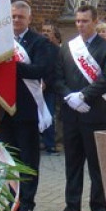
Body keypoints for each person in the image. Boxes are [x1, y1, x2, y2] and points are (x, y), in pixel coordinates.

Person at [52, 4, 106, 211]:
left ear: (95, 21)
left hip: (95, 112)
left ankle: (99, 208)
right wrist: (69, 97)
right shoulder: (67, 48)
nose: (80, 25)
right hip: (71, 115)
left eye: (85, 21)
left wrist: (84, 96)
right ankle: (72, 207)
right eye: (78, 21)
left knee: (96, 165)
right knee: (72, 164)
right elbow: (57, 77)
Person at [0, 1, 55, 211]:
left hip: (27, 109)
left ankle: (27, 203)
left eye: (20, 17)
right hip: (4, 109)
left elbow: (40, 69)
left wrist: (10, 65)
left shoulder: (39, 43)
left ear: (29, 19)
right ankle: (10, 201)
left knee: (28, 159)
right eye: (12, 16)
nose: (16, 20)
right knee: (7, 159)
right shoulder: (1, 42)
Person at [39, 21, 62, 153]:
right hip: (36, 86)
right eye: (44, 30)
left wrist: (46, 82)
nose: (45, 33)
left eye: (48, 31)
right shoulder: (38, 46)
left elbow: (56, 70)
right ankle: (40, 141)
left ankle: (50, 143)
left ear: (54, 34)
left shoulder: (56, 50)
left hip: (49, 88)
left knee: (49, 115)